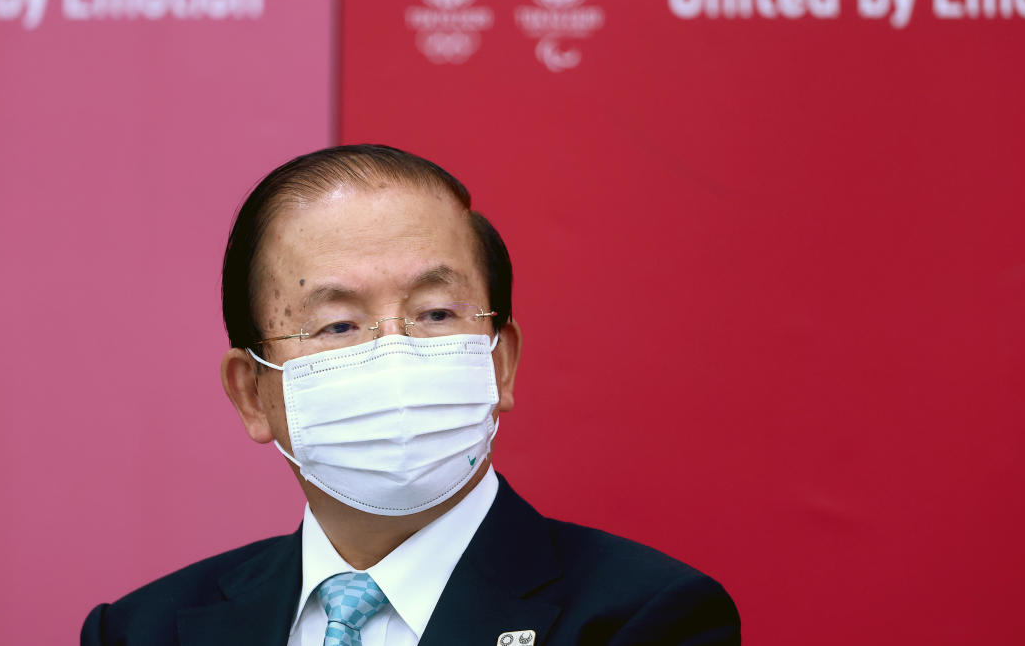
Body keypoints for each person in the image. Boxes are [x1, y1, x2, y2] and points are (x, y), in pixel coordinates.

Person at [81, 144, 740, 646]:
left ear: (500, 361)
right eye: (338, 324)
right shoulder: (143, 632)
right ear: (252, 393)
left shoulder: (644, 619)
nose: (394, 355)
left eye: (434, 313)